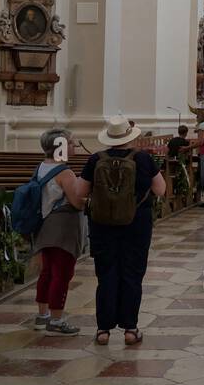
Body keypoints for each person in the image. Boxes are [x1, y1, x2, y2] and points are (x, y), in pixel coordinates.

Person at [82, 116, 166, 345]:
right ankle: (130, 329)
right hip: (136, 225)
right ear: (131, 136)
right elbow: (160, 189)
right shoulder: (143, 159)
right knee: (132, 274)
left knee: (106, 274)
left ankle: (103, 331)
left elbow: (82, 191)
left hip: (102, 226)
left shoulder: (95, 159)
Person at [33, 128, 87, 336]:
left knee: (47, 271)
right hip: (62, 227)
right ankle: (56, 319)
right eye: (72, 143)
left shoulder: (41, 167)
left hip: (45, 225)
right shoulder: (65, 172)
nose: (74, 145)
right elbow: (76, 203)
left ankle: (43, 315)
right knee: (62, 273)